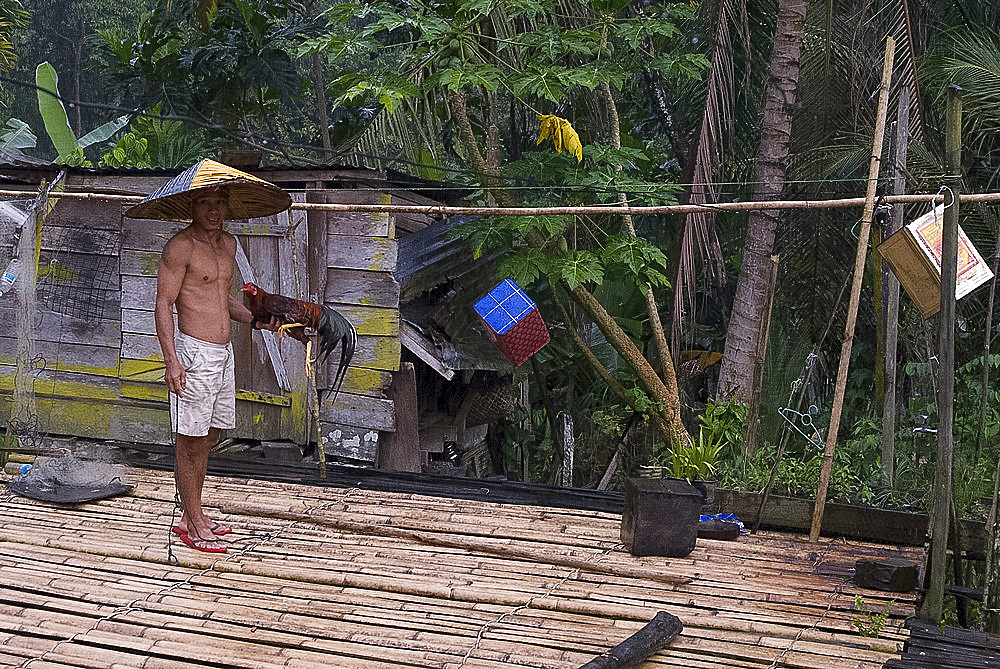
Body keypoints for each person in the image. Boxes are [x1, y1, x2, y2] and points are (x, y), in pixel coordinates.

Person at [154, 187, 275, 552]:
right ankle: (192, 522)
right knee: (189, 442)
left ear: (227, 205)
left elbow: (221, 299)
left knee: (210, 437)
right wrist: (171, 360)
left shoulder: (229, 245)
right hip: (194, 354)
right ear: (192, 205)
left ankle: (195, 513)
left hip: (223, 354)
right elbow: (163, 304)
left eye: (219, 202)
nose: (213, 210)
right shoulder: (180, 247)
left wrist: (261, 318)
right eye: (205, 203)